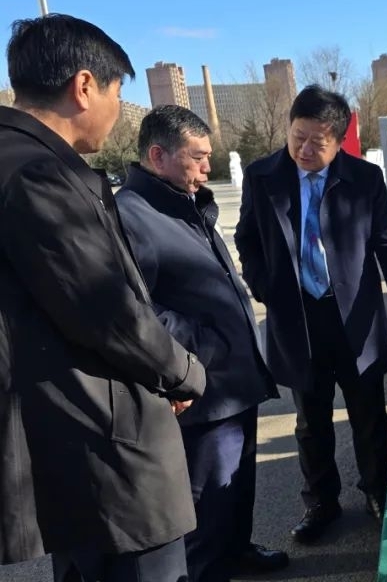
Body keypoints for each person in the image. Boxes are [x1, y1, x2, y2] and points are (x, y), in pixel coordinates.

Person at [0, 15, 206, 580]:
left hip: (68, 444)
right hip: (105, 452)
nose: (118, 111)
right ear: (85, 86)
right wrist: (182, 372)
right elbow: (106, 312)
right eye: (117, 93)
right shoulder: (36, 174)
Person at [234, 85, 387, 543]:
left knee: (369, 415)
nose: (305, 150)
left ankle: (377, 491)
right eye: (298, 137)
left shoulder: (364, 179)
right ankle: (321, 503)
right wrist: (266, 287)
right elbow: (247, 239)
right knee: (311, 421)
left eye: (318, 142)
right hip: (297, 318)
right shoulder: (262, 176)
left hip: (354, 318)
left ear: (339, 140)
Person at [114, 105, 288, 581]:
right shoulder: (132, 216)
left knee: (237, 487)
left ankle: (238, 550)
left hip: (235, 381)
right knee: (208, 505)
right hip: (204, 390)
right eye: (198, 157)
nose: (208, 167)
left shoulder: (186, 202)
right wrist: (206, 345)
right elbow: (138, 311)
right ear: (158, 156)